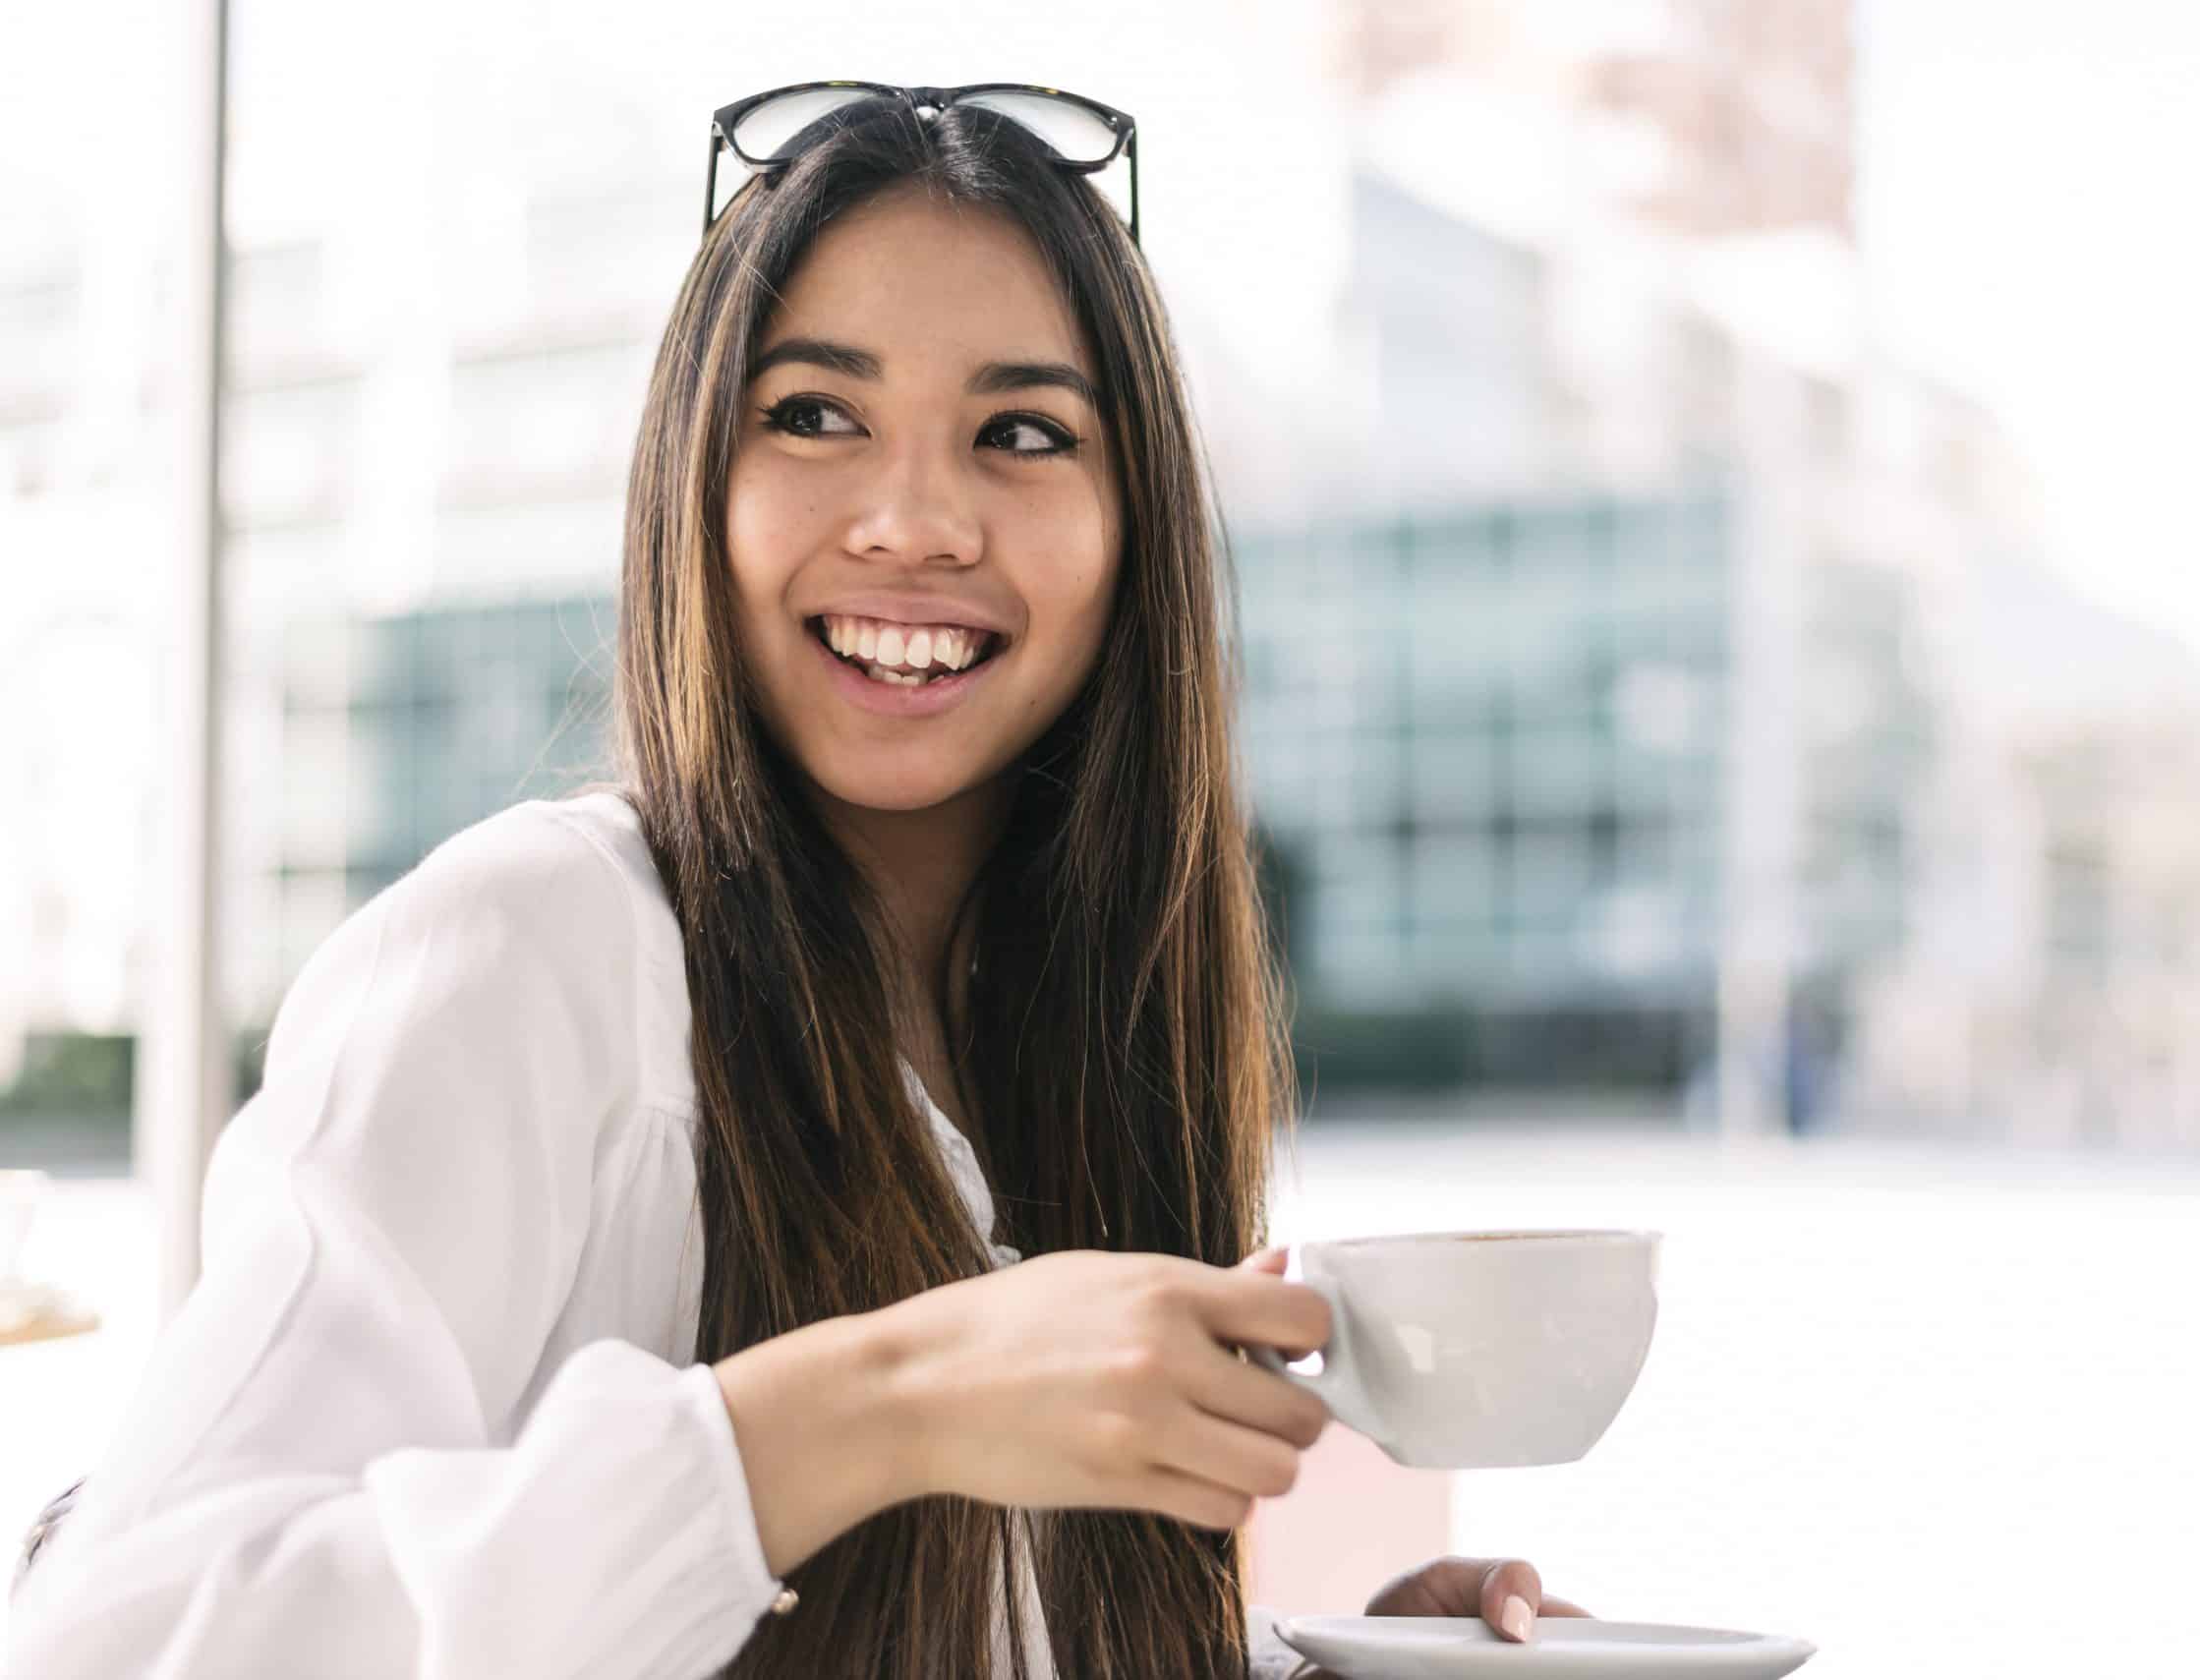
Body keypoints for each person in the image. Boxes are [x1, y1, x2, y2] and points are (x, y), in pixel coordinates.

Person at [4, 82, 1592, 1678]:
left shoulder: (1085, 1025)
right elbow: (123, 1635)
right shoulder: (535, 948)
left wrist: (1312, 1663)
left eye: (1021, 433)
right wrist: (881, 1399)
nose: (914, 522)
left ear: (1137, 538)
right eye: (815, 415)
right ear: (699, 477)